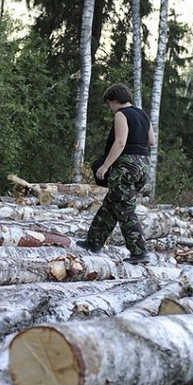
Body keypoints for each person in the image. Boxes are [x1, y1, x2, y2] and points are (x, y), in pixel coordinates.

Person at [77, 83, 156, 263]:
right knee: (112, 203)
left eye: (109, 103)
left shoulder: (121, 114)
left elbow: (120, 142)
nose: (109, 108)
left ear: (114, 100)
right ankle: (93, 242)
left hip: (126, 167)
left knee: (124, 209)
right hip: (143, 166)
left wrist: (105, 166)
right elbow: (152, 141)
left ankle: (139, 252)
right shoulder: (142, 114)